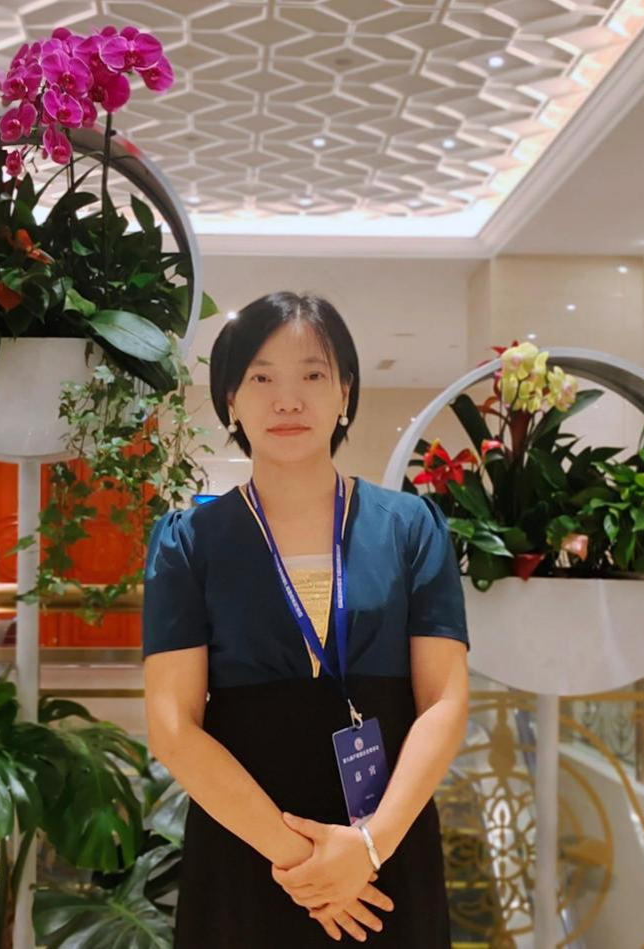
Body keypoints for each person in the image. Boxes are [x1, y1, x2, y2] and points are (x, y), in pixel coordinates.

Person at [143, 292, 470, 947]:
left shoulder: (410, 528)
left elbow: (444, 701)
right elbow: (173, 727)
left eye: (312, 375)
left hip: (386, 850)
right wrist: (305, 865)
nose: (287, 400)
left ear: (345, 392)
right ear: (230, 399)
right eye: (261, 378)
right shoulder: (189, 542)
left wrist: (367, 849)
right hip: (249, 849)